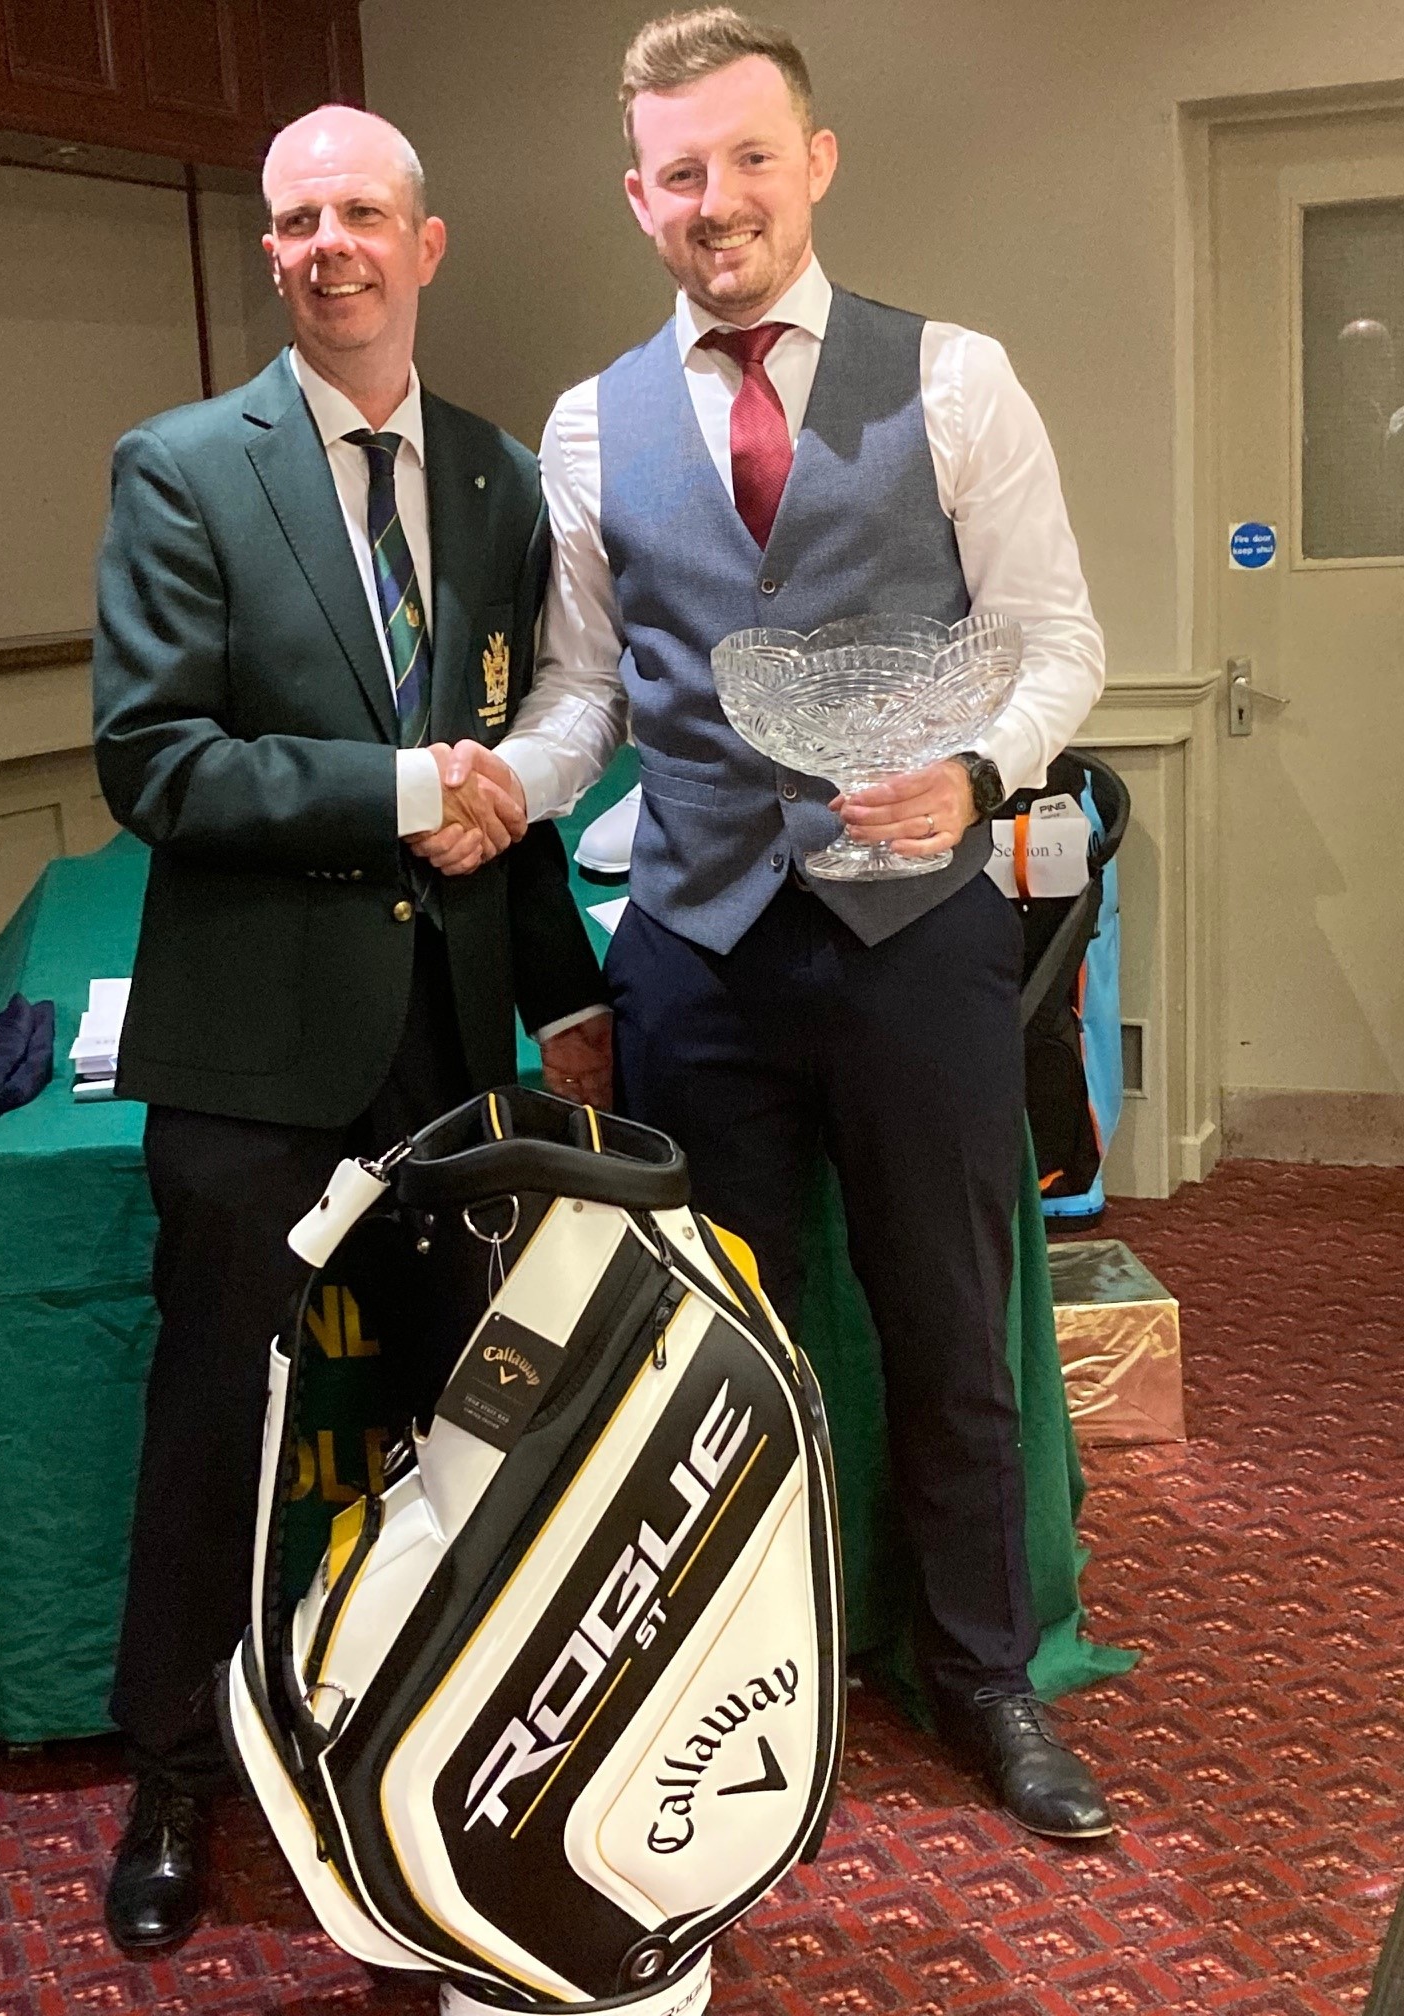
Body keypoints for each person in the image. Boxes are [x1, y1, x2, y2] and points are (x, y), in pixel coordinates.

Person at [488, 8, 1114, 1839]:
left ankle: (985, 1679)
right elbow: (587, 694)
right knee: (719, 1359)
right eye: (680, 172)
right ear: (639, 198)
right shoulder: (589, 423)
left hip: (918, 937)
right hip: (696, 951)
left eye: (751, 157)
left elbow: (1059, 639)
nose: (720, 199)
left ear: (815, 162)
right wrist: (503, 787)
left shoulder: (959, 379)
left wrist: (980, 775)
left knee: (946, 1329)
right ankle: (747, 1673)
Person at [91, 104, 611, 1954]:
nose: (332, 246)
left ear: (426, 243)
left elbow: (511, 777)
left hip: (449, 1047)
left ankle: (416, 1743)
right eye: (300, 220)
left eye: (364, 214)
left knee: (443, 1421)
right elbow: (157, 761)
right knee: (220, 1424)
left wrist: (567, 995)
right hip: (252, 1051)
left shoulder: (495, 478)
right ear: (274, 252)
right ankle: (174, 1773)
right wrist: (403, 791)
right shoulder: (180, 468)